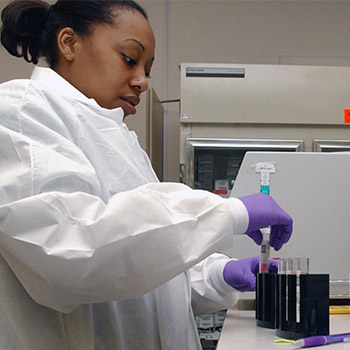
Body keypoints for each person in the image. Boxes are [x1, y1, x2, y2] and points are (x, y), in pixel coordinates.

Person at [0, 0, 293, 349]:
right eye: (129, 58)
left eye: (148, 69)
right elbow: (71, 251)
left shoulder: (117, 136)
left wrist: (219, 275)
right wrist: (228, 213)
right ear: (69, 43)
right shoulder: (22, 111)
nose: (141, 81)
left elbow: (144, 275)